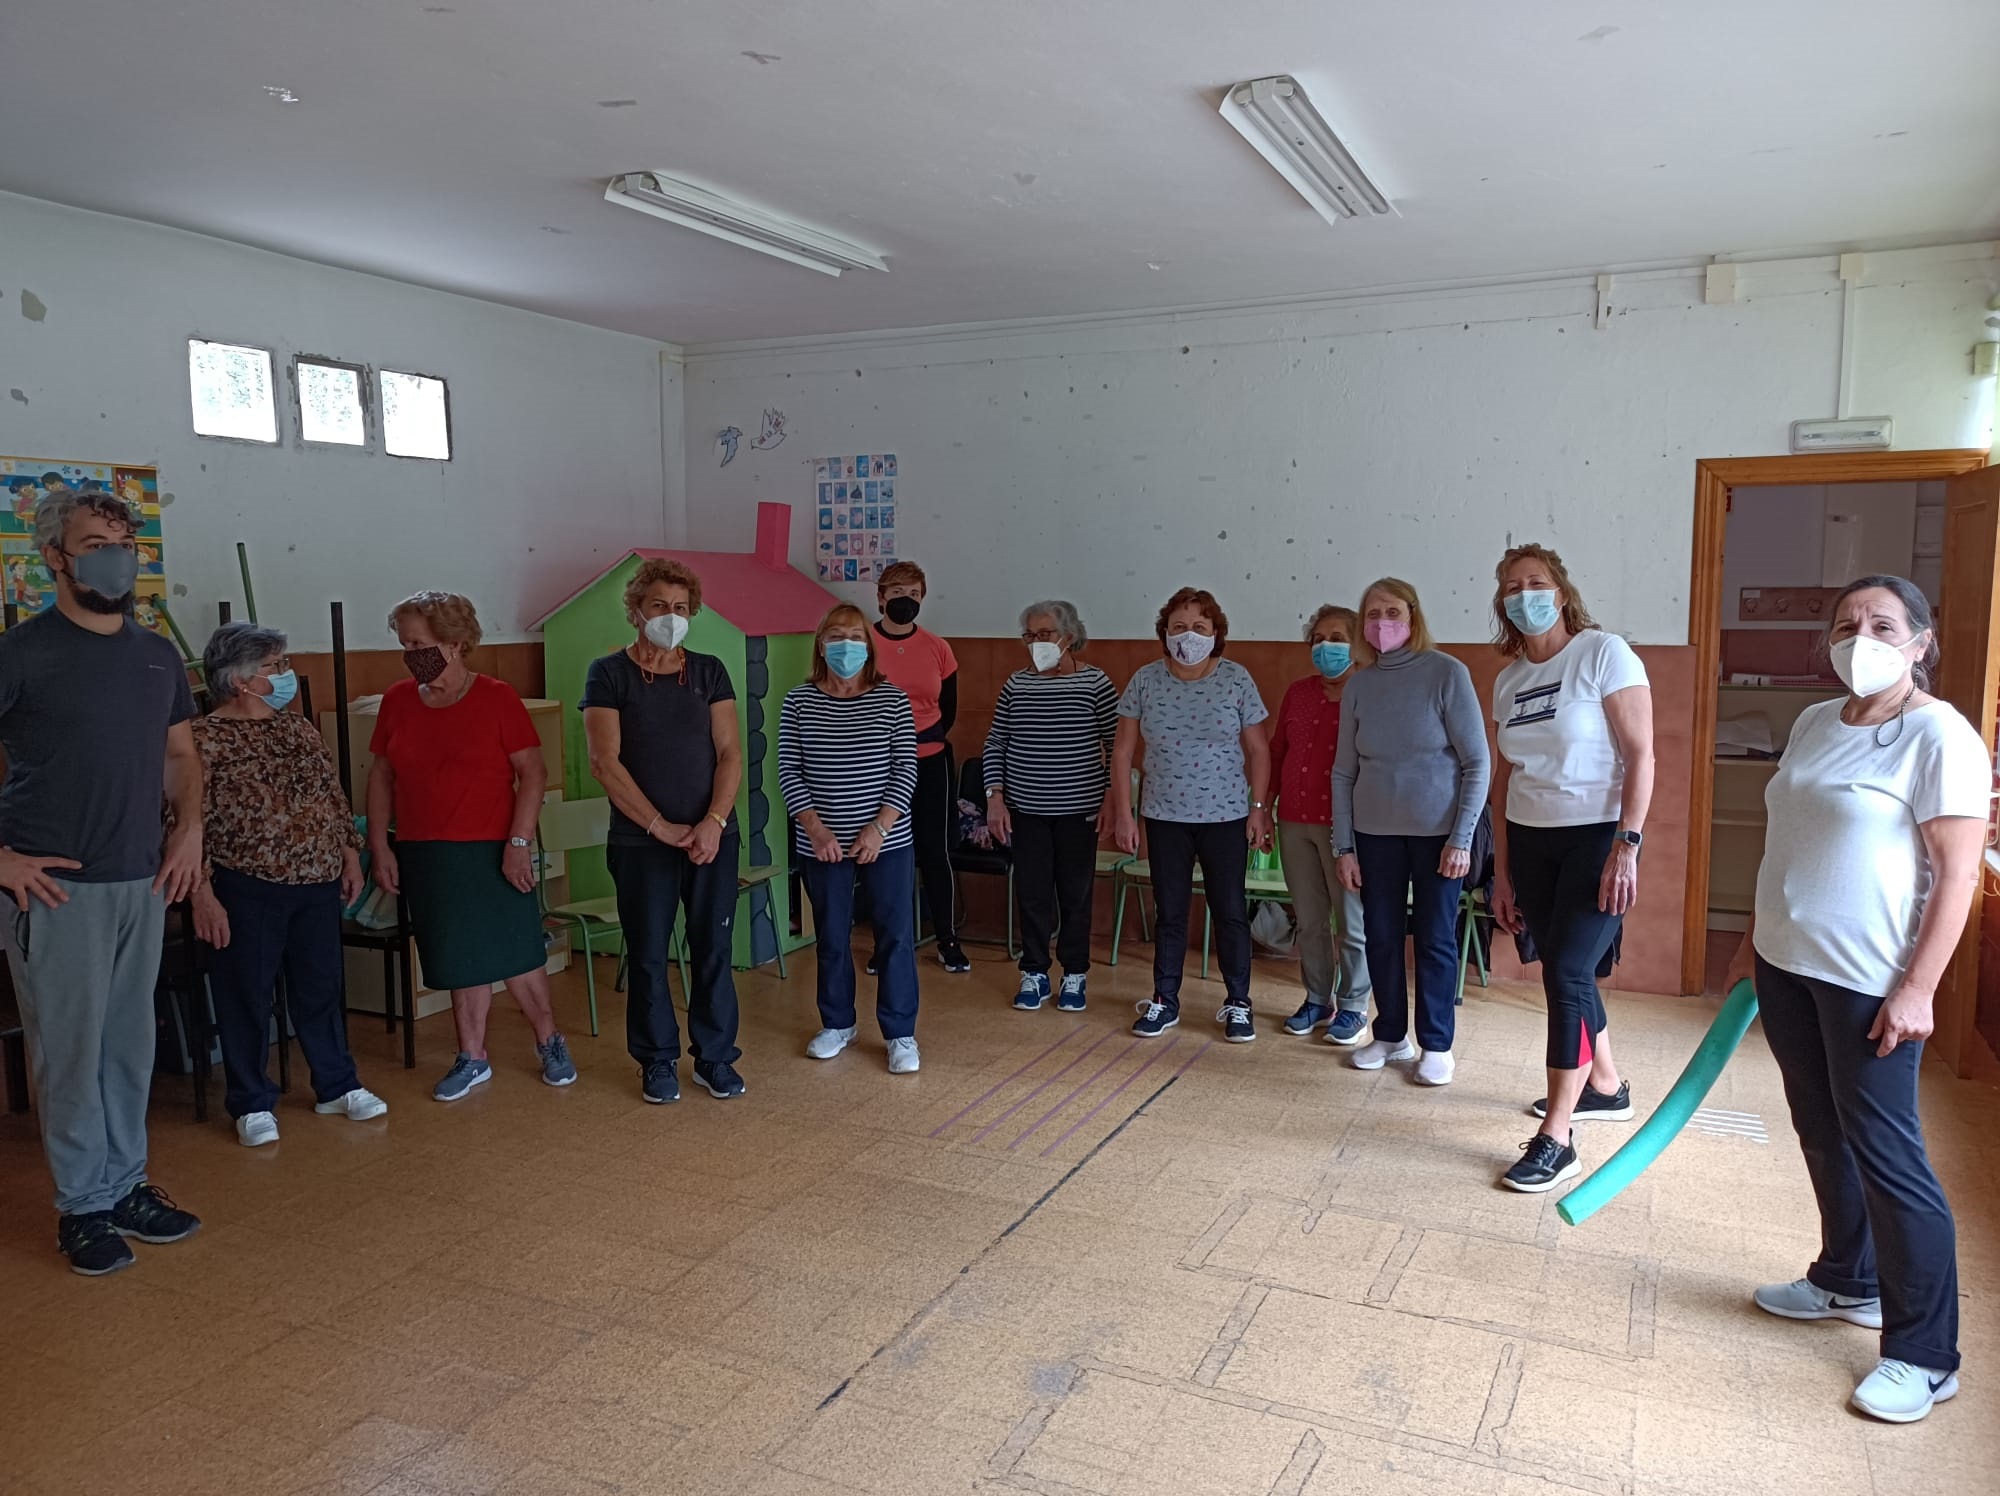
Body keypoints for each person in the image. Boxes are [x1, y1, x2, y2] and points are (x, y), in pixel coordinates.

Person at [1723, 575, 1986, 1424]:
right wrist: (1749, 943)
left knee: (1889, 1155)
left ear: (1920, 643)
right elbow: (1789, 840)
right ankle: (1847, 1280)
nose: (1859, 637)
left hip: (1871, 981)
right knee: (1822, 1132)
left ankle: (1925, 1355)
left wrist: (1920, 988)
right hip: (1788, 965)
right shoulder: (1813, 721)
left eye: (1882, 624)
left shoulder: (1938, 734)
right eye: (1846, 624)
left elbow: (1954, 878)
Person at [0, 489, 203, 1275]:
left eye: (125, 543)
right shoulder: (22, 652)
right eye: (94, 543)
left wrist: (187, 830)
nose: (116, 558)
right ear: (54, 557)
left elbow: (181, 757)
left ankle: (124, 1187)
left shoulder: (155, 656)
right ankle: (82, 1207)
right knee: (71, 1052)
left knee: (127, 1047)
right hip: (53, 891)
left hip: (141, 882)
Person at [1485, 546, 1653, 1191]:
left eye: (1536, 582)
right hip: (1530, 839)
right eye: (1511, 586)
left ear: (1561, 591)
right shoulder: (1507, 679)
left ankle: (1558, 1134)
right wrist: (1500, 870)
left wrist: (1626, 844)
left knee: (1568, 972)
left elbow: (1641, 754)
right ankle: (1605, 1086)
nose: (1524, 593)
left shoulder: (1604, 653)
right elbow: (1504, 779)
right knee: (1567, 969)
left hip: (1596, 836)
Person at [367, 591, 576, 1101]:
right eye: (404, 644)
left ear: (456, 644)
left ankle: (549, 1041)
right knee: (460, 955)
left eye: (419, 643)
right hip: (427, 850)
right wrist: (380, 845)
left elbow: (533, 773)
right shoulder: (397, 701)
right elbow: (381, 777)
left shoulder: (498, 698)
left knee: (518, 950)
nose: (410, 654)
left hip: (493, 846)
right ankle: (472, 1056)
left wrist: (519, 842)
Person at [191, 623, 387, 1147]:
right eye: (275, 666)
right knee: (246, 995)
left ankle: (336, 1084)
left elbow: (331, 793)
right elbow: (187, 824)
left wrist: (349, 855)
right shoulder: (202, 740)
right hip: (245, 885)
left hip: (316, 880)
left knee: (321, 989)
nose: (286, 674)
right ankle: (251, 1101)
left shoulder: (297, 728)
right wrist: (202, 893)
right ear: (239, 680)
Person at [582, 558, 746, 1104]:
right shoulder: (607, 674)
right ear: (636, 610)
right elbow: (605, 762)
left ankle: (715, 1058)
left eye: (680, 608)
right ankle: (656, 1060)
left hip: (712, 839)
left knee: (713, 949)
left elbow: (730, 753)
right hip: (640, 842)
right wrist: (659, 826)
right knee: (648, 953)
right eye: (658, 606)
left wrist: (713, 823)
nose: (670, 617)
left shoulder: (710, 670)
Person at [1332, 577, 1490, 1085]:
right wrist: (1344, 846)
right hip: (1374, 835)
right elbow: (1343, 772)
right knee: (1379, 936)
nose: (1382, 623)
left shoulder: (1446, 673)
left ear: (1414, 618)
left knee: (1435, 940)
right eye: (1373, 614)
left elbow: (1477, 762)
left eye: (1392, 613)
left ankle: (1437, 1044)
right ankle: (1391, 1034)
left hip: (1439, 836)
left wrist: (1461, 838)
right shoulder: (1359, 685)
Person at [1111, 587, 1271, 1042]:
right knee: (1171, 913)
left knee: (1230, 911)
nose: (1188, 635)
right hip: (1165, 817)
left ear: (1216, 633)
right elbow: (1122, 753)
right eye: (1178, 627)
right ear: (1164, 633)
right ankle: (1164, 1000)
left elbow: (1258, 749)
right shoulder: (1145, 680)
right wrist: (1126, 814)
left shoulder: (1236, 679)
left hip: (1225, 817)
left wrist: (1259, 809)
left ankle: (1239, 1002)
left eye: (1199, 627)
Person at [779, 604, 922, 1073]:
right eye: (837, 635)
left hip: (887, 840)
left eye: (856, 636)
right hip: (821, 844)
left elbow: (906, 768)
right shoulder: (798, 701)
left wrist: (879, 827)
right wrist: (816, 830)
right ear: (821, 643)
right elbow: (788, 770)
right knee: (833, 936)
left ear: (869, 645)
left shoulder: (892, 700)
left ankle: (900, 1033)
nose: (847, 644)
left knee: (894, 936)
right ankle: (838, 1023)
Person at [982, 600, 1118, 1012]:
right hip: (1027, 810)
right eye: (1030, 635)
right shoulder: (1016, 684)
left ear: (1069, 637)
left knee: (1075, 895)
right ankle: (1035, 972)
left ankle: (1074, 974)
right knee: (1033, 894)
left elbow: (1117, 747)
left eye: (1045, 634)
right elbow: (995, 744)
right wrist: (995, 798)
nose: (1036, 642)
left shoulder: (1095, 683)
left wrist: (1113, 797)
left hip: (1080, 811)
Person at [1270, 605, 1374, 1046]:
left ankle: (1354, 1006)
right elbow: (1277, 752)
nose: (1324, 646)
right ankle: (1317, 998)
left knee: (1351, 922)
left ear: (1357, 644)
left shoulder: (1369, 691)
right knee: (1310, 920)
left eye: (1336, 637)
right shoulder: (1298, 692)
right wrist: (1262, 806)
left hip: (1346, 828)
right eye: (1316, 638)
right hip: (1294, 821)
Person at [871, 560, 969, 972]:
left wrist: (919, 742)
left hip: (930, 762)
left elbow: (947, 711)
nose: (905, 601)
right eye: (897, 593)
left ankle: (947, 939)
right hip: (876, 766)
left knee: (935, 850)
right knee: (881, 853)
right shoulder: (862, 644)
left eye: (913, 595)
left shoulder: (938, 648)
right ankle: (886, 944)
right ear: (880, 597)